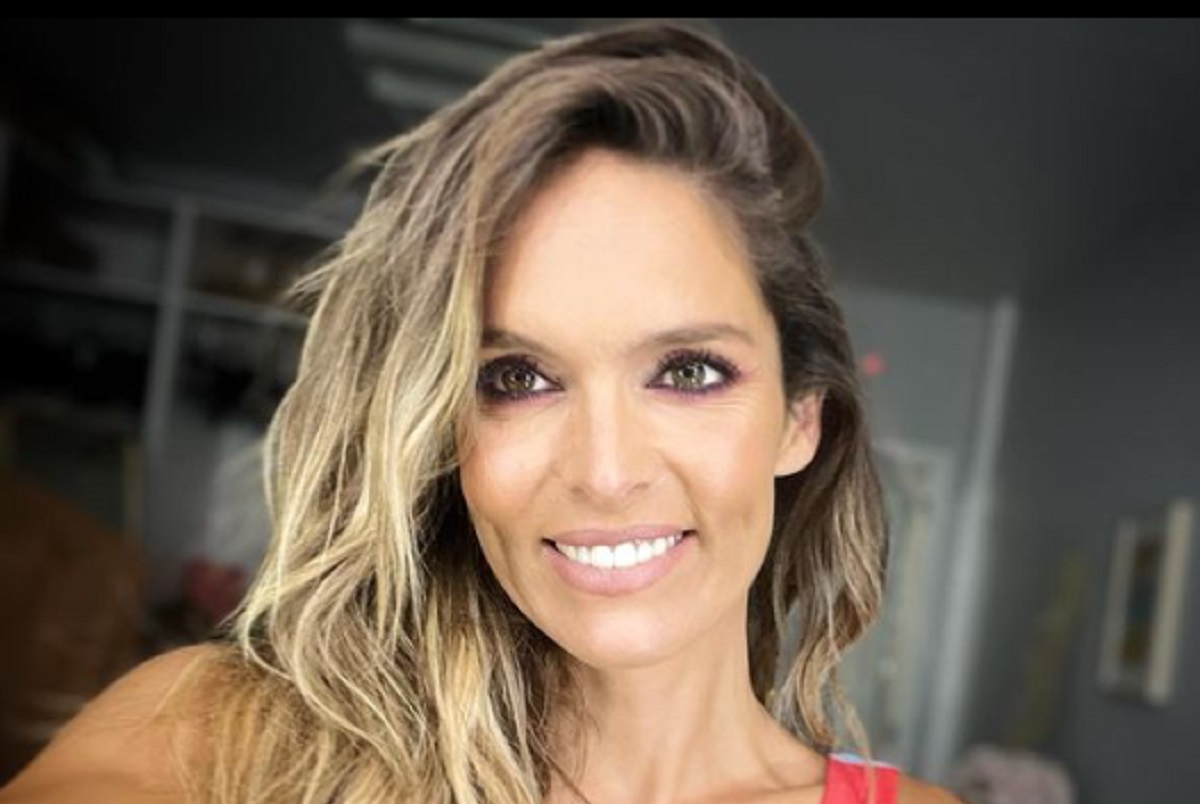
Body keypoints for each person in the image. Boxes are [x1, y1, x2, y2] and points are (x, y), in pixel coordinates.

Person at [0, 20, 960, 804]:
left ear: (799, 420)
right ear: (439, 430)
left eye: (689, 371)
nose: (606, 471)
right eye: (516, 379)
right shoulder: (223, 738)